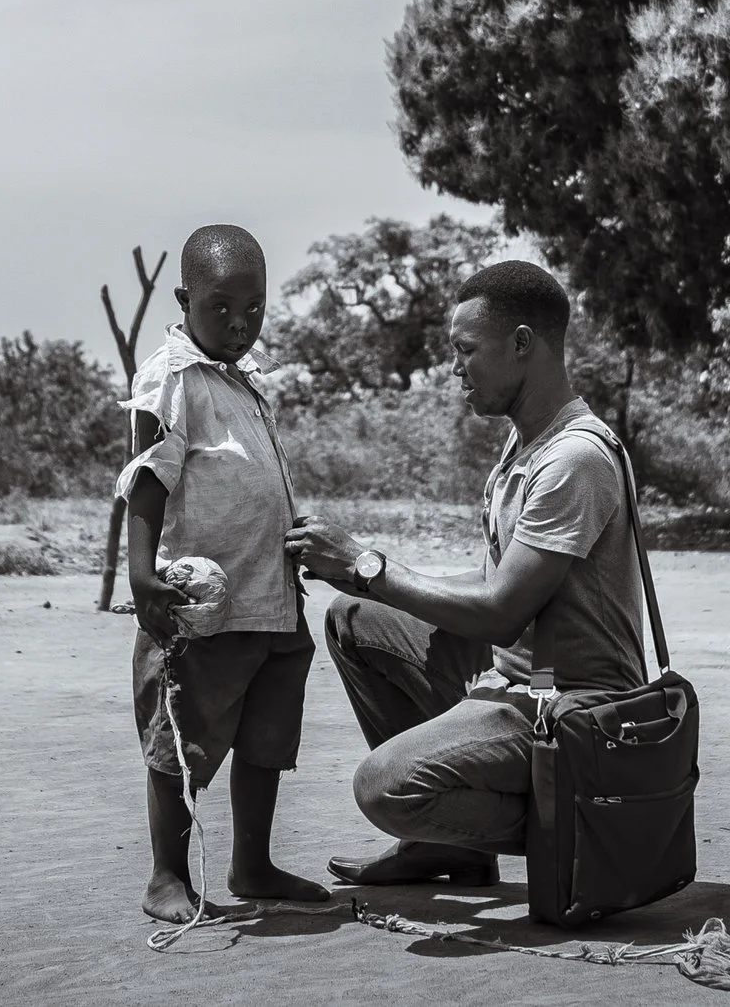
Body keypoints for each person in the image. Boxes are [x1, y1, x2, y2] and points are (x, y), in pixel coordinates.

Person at [286, 260, 644, 887]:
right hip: (526, 676)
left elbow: (503, 610)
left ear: (522, 343)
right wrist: (365, 582)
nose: (455, 369)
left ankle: (580, 818)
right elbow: (496, 593)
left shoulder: (574, 459)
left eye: (465, 350)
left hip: (576, 705)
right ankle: (451, 847)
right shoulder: (523, 444)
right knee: (355, 618)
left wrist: (370, 566)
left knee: (383, 787)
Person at [119, 224, 328, 923]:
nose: (240, 323)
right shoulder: (172, 378)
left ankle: (253, 863)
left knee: (266, 739)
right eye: (221, 307)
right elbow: (148, 481)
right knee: (181, 739)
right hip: (203, 608)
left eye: (255, 308)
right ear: (184, 299)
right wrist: (142, 576)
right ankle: (166, 876)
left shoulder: (244, 379)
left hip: (273, 599)